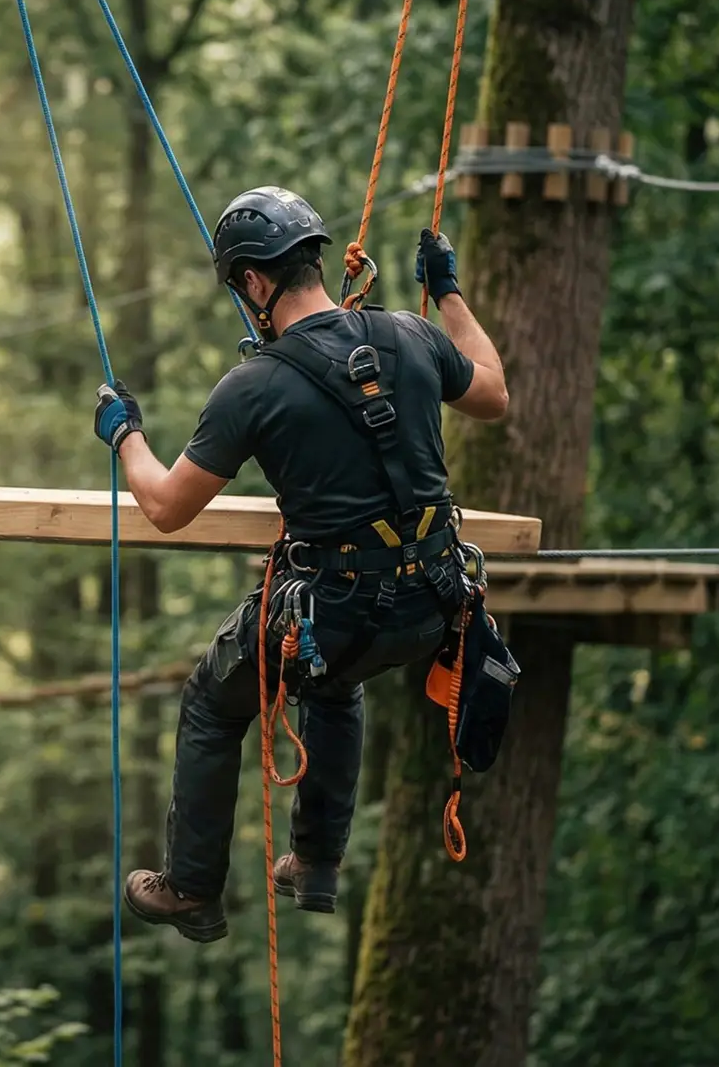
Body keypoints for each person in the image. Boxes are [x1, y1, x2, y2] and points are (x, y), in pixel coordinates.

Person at [91, 185, 510, 942]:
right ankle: (315, 862)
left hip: (340, 612)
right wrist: (447, 291)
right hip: (433, 607)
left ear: (254, 282)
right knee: (330, 676)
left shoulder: (253, 387)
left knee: (215, 700)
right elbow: (494, 393)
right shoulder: (411, 335)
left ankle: (191, 888)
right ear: (313, 260)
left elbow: (165, 506)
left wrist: (125, 434)